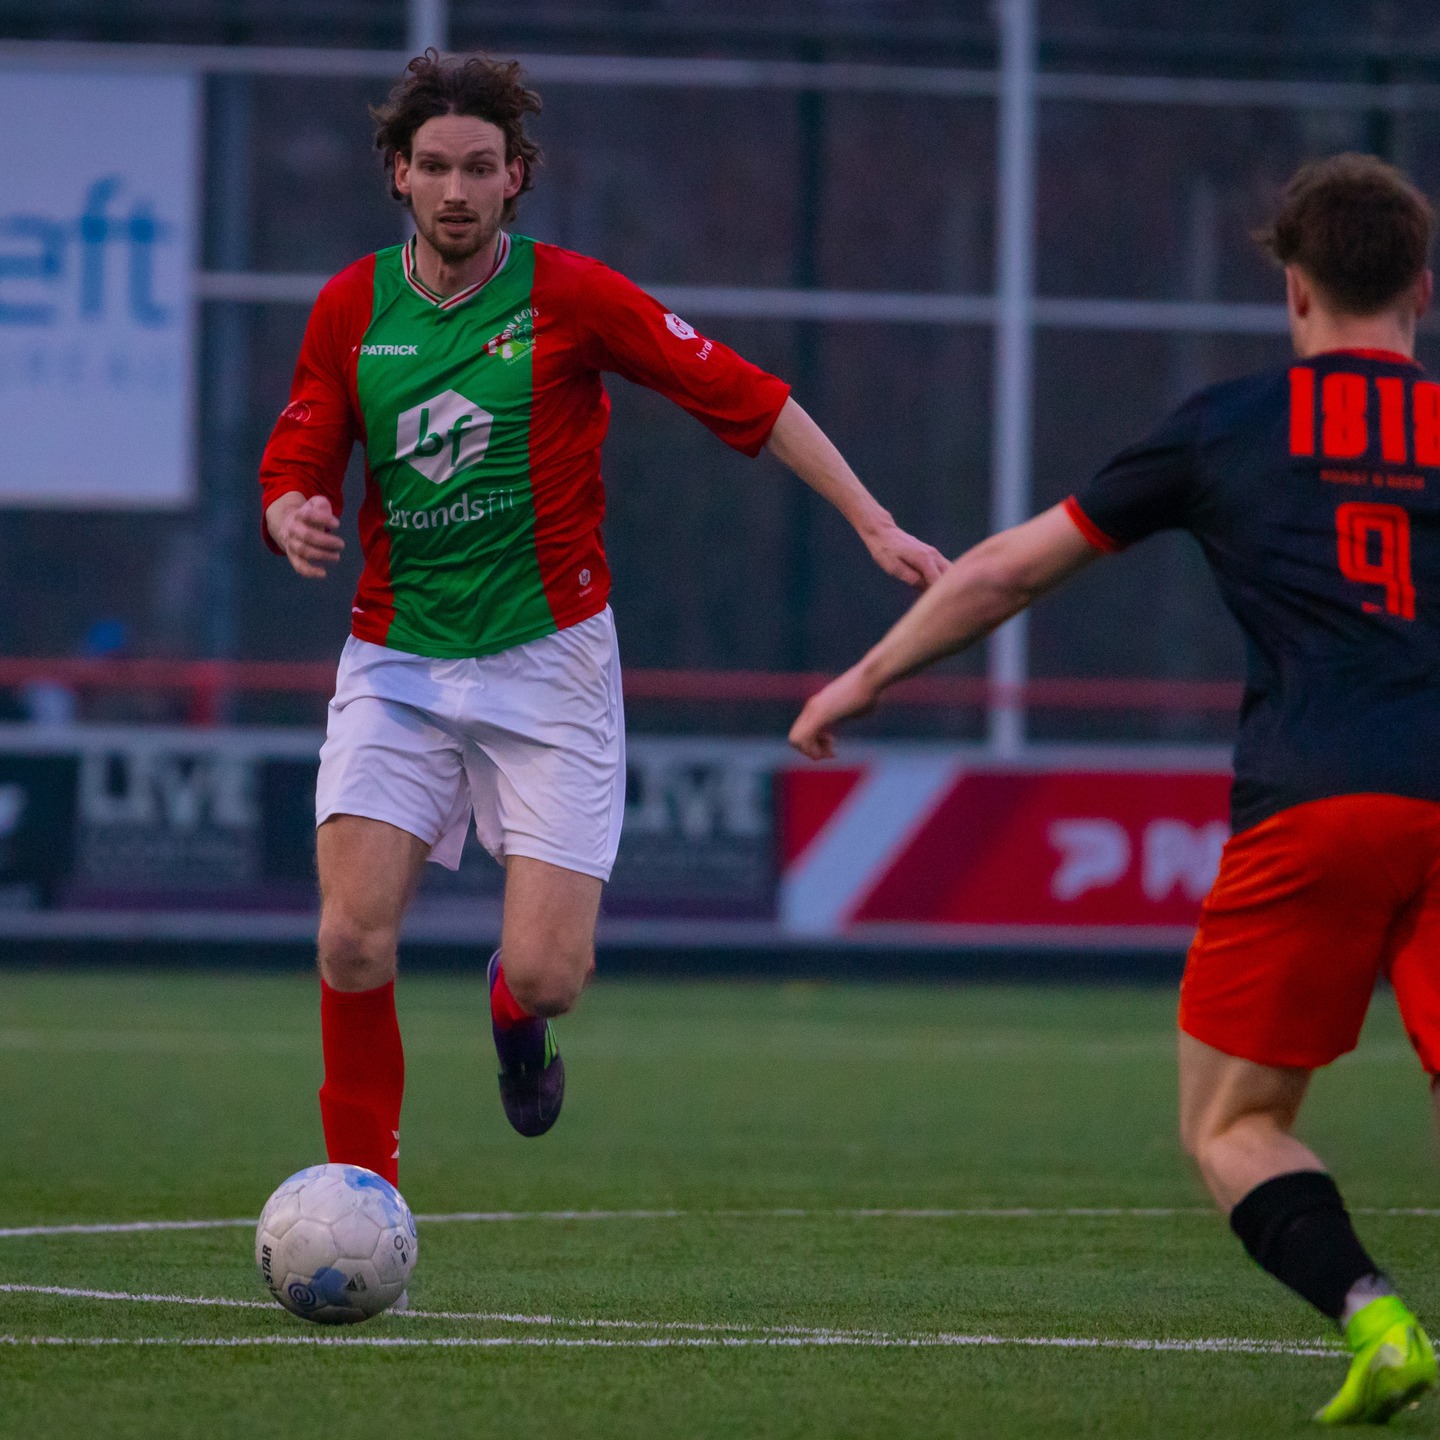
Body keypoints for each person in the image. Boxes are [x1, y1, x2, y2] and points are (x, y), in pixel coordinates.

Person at [789, 152, 1440, 1425]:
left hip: (1318, 801)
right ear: (1422, 288)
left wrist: (865, 679)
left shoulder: (1229, 426)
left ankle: (1376, 1320)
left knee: (1235, 1125)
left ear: (1294, 293)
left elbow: (1007, 575)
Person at [258, 54, 945, 1173]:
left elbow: (746, 393)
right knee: (348, 935)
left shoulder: (570, 296)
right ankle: (361, 1193)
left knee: (549, 975)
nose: (456, 190)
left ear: (517, 177)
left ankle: (512, 1015)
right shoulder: (349, 307)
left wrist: (873, 523)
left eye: (481, 167)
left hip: (550, 665)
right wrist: (290, 512)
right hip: (399, 660)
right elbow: (298, 452)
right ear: (397, 173)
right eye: (434, 166)